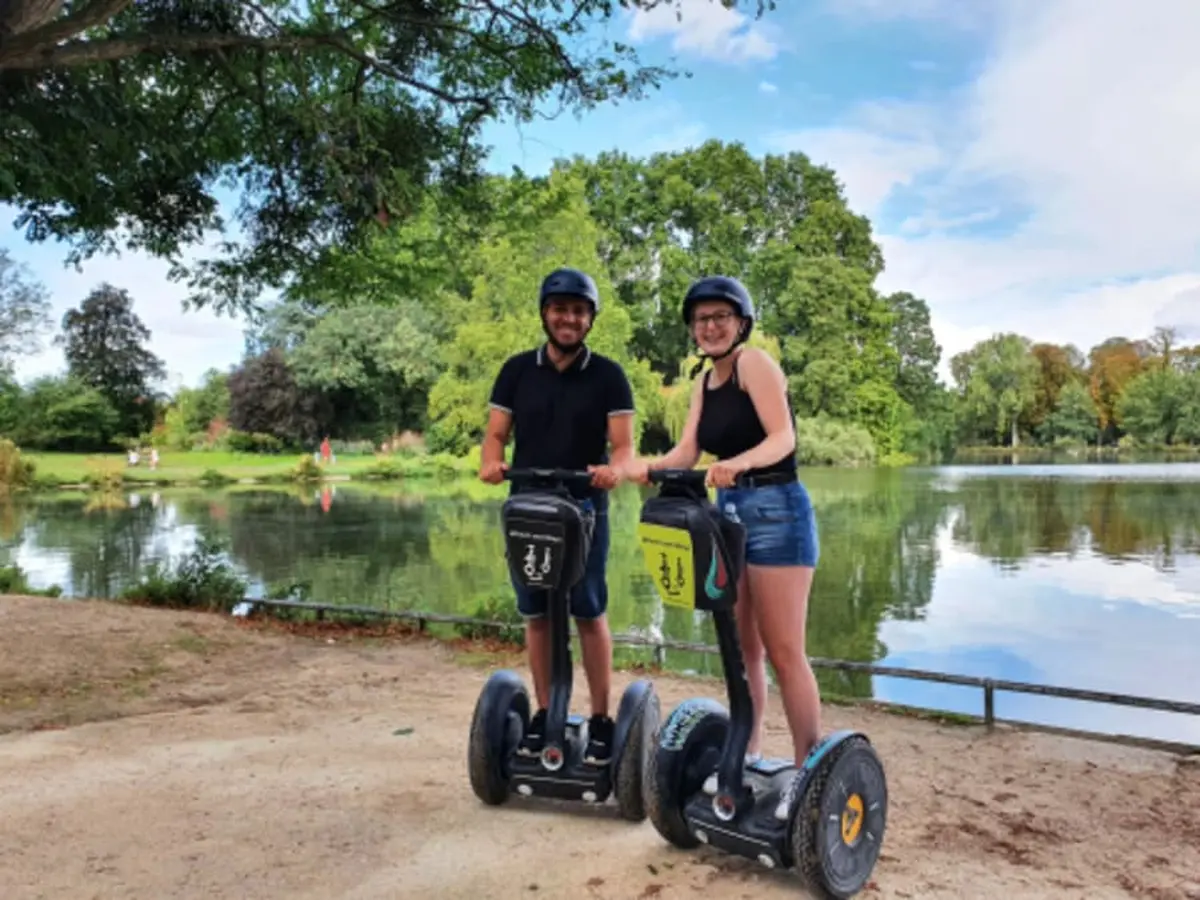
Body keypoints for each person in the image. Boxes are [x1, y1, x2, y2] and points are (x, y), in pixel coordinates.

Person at [625, 275, 821, 818]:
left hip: (777, 510)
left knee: (785, 651)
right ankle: (748, 751)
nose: (710, 327)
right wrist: (640, 469)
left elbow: (784, 437)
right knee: (743, 650)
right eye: (701, 319)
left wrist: (738, 463)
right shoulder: (702, 383)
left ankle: (808, 772)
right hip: (728, 516)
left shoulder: (755, 364)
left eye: (720, 317)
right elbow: (688, 449)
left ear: (740, 322)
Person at [478, 266, 636, 766]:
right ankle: (546, 713)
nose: (569, 318)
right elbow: (497, 434)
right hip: (527, 506)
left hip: (583, 507)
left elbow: (625, 448)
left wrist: (613, 471)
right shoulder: (517, 370)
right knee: (537, 613)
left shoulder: (609, 375)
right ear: (545, 313)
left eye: (579, 311)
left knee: (588, 610)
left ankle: (602, 720)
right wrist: (489, 461)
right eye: (561, 309)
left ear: (590, 318)